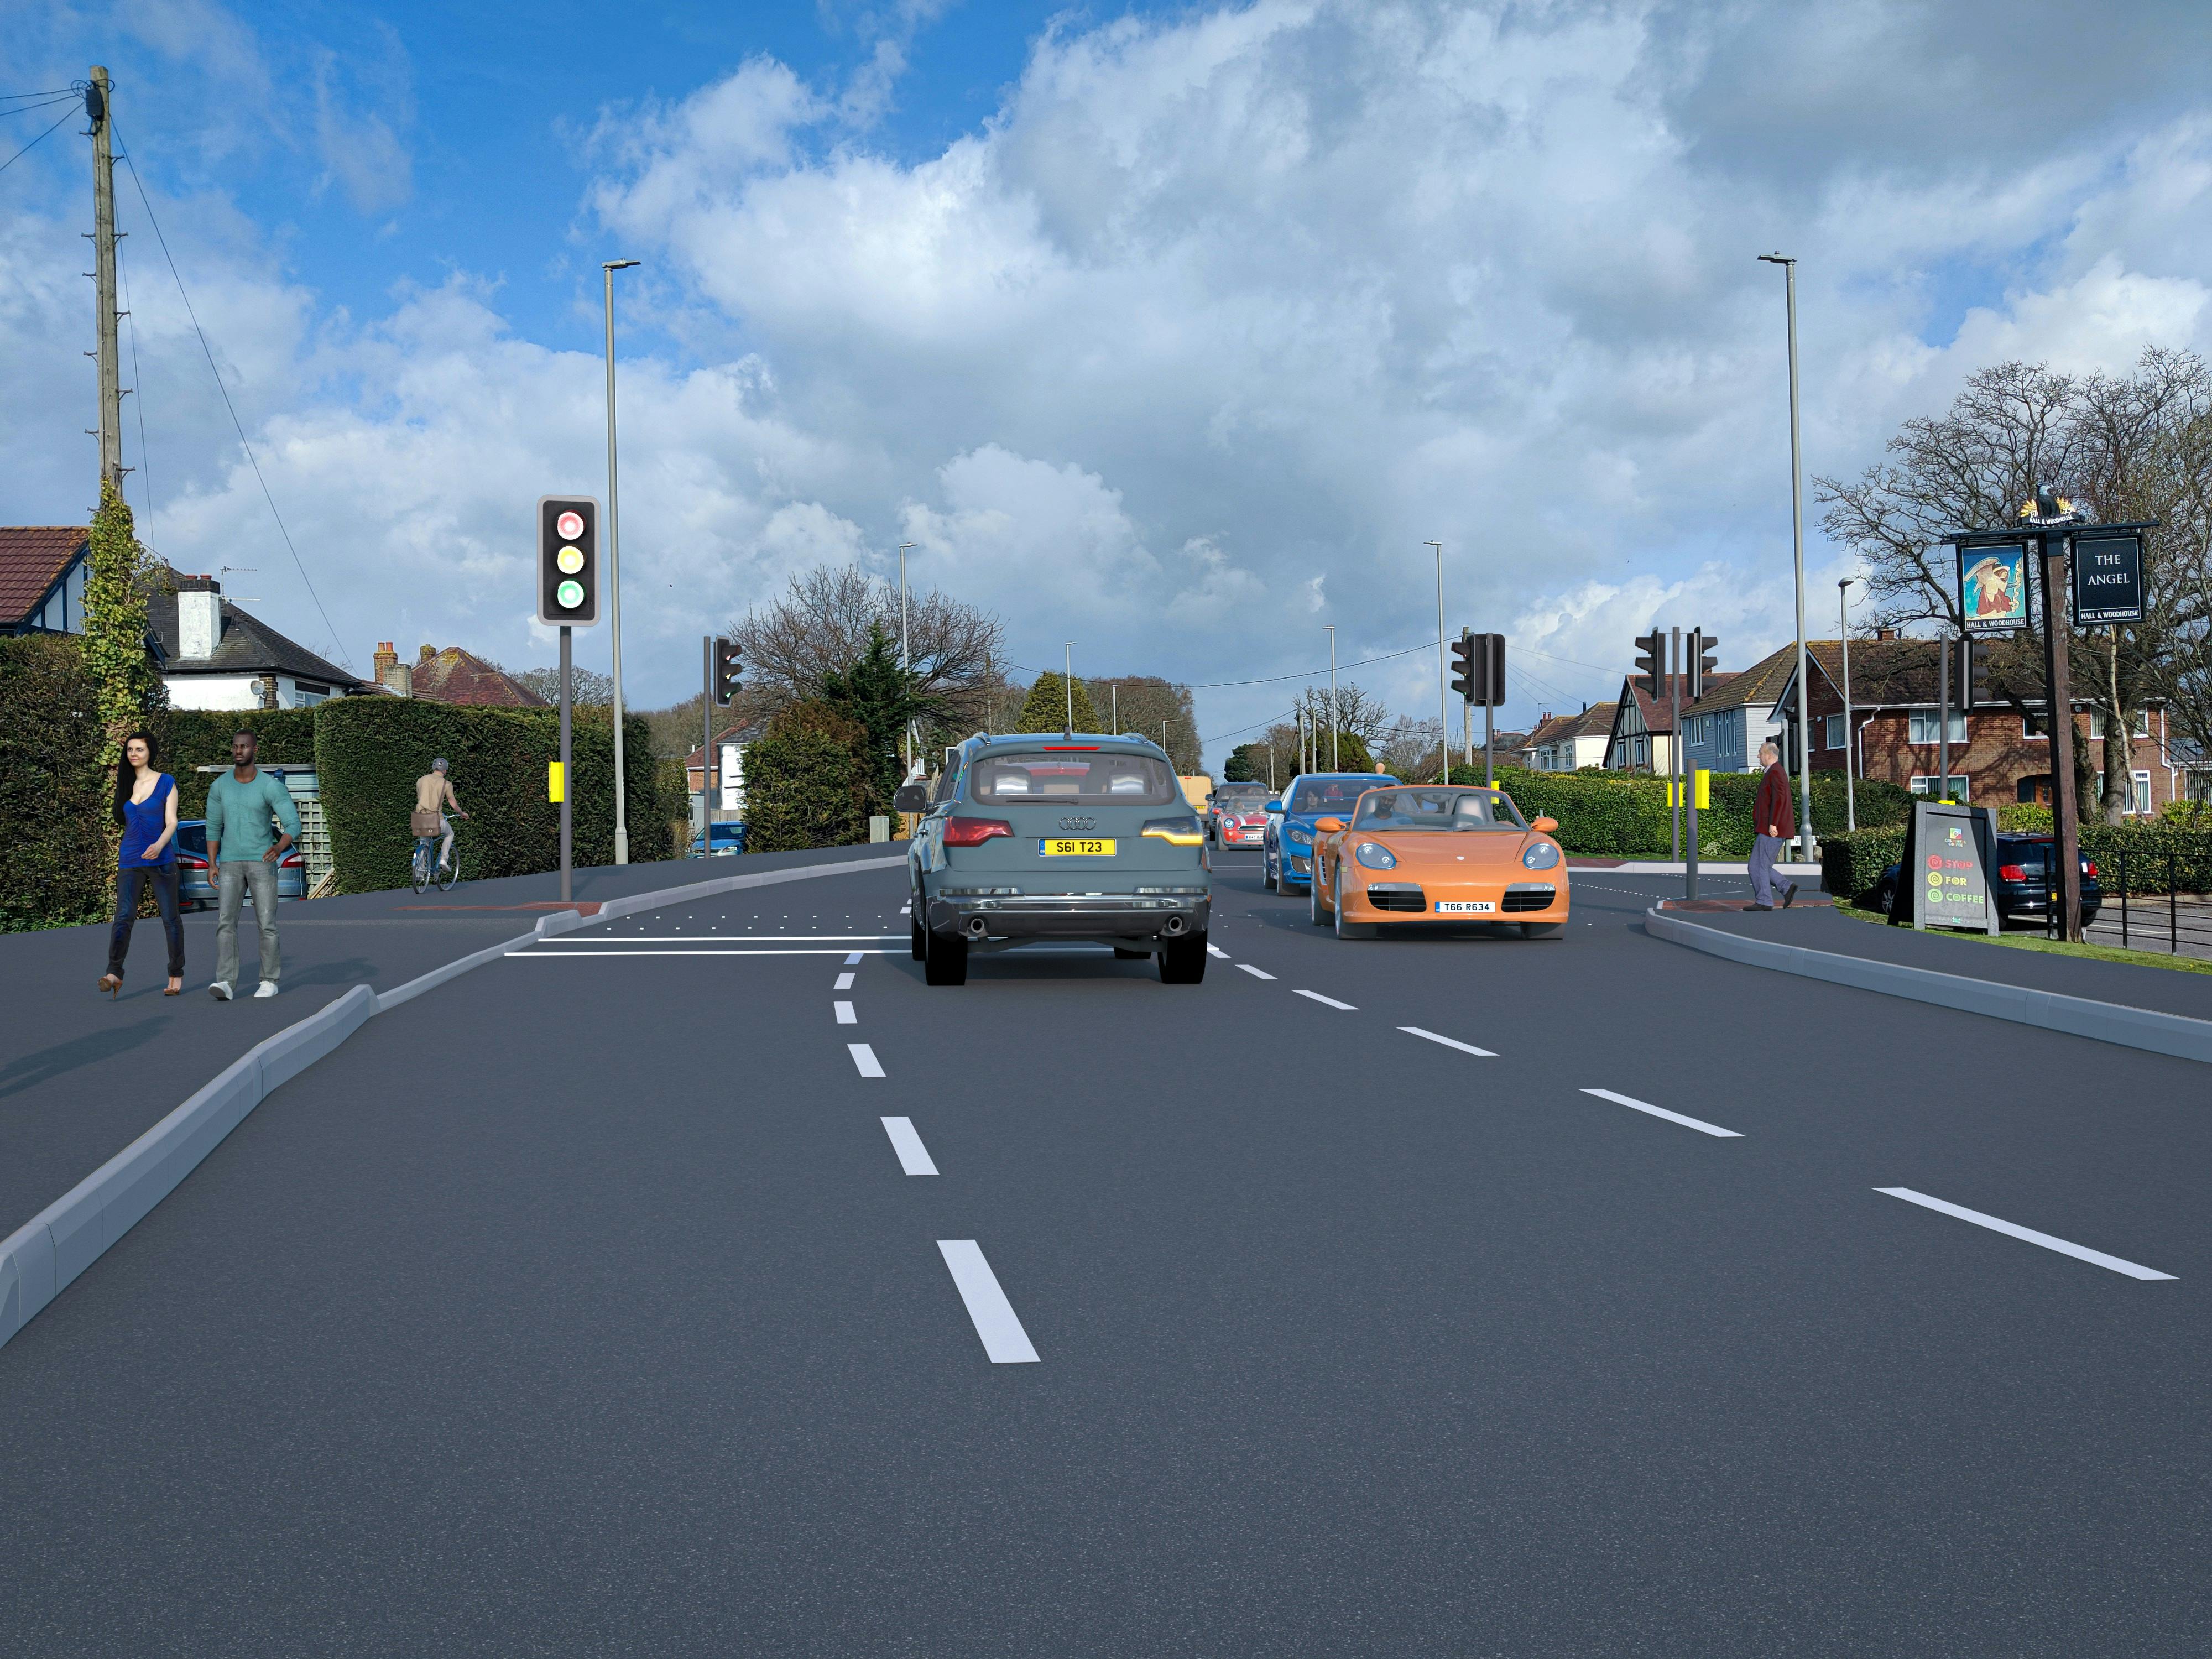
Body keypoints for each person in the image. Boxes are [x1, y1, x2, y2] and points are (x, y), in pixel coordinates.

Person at [205, 728, 300, 1000]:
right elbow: (213, 827)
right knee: (225, 922)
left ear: (255, 750)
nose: (238, 751)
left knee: (267, 923)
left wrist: (279, 847)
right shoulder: (220, 786)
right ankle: (225, 982)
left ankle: (270, 980)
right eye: (235, 746)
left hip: (262, 863)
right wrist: (213, 863)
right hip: (230, 863)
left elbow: (293, 824)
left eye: (244, 747)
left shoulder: (271, 786)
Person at [100, 730, 184, 998]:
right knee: (123, 917)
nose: (134, 754)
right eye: (130, 750)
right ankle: (114, 973)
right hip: (130, 860)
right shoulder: (126, 785)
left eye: (140, 750)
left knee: (170, 919)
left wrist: (159, 845)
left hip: (161, 860)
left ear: (151, 753)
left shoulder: (166, 782)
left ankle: (176, 973)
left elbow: (172, 822)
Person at [1749, 740, 1799, 912]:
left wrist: (1773, 824)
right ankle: (1786, 887)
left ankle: (1765, 900)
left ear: (1769, 755)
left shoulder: (1776, 772)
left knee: (1759, 865)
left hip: (1772, 829)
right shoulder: (1774, 772)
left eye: (1760, 753)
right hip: (1769, 827)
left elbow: (1779, 800)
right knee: (1758, 865)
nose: (1758, 756)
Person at [413, 757, 469, 874]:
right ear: (445, 771)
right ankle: (444, 859)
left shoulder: (421, 780)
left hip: (419, 819)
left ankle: (420, 870)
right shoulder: (446, 784)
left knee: (424, 842)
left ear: (434, 768)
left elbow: (420, 798)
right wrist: (462, 813)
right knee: (450, 833)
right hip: (436, 820)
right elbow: (453, 803)